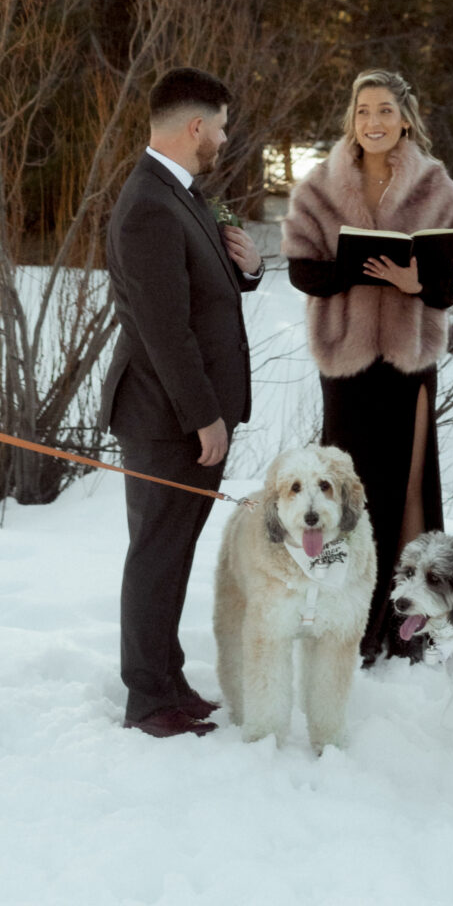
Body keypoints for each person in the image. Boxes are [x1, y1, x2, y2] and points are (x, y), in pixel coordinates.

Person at [283, 70, 453, 661]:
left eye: (386, 110)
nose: (374, 121)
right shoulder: (318, 185)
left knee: (407, 486)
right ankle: (344, 623)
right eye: (364, 110)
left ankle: (408, 626)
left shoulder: (437, 186)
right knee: (347, 492)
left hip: (408, 360)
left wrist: (417, 282)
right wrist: (355, 267)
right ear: (352, 118)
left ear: (405, 119)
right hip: (345, 363)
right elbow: (300, 268)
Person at [103, 67, 264, 738]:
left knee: (171, 552)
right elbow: (165, 331)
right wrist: (204, 415)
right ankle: (149, 699)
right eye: (221, 126)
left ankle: (168, 679)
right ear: (195, 126)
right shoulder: (147, 205)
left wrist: (249, 267)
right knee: (157, 554)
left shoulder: (182, 194)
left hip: (187, 414)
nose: (225, 138)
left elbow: (202, 288)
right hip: (167, 417)